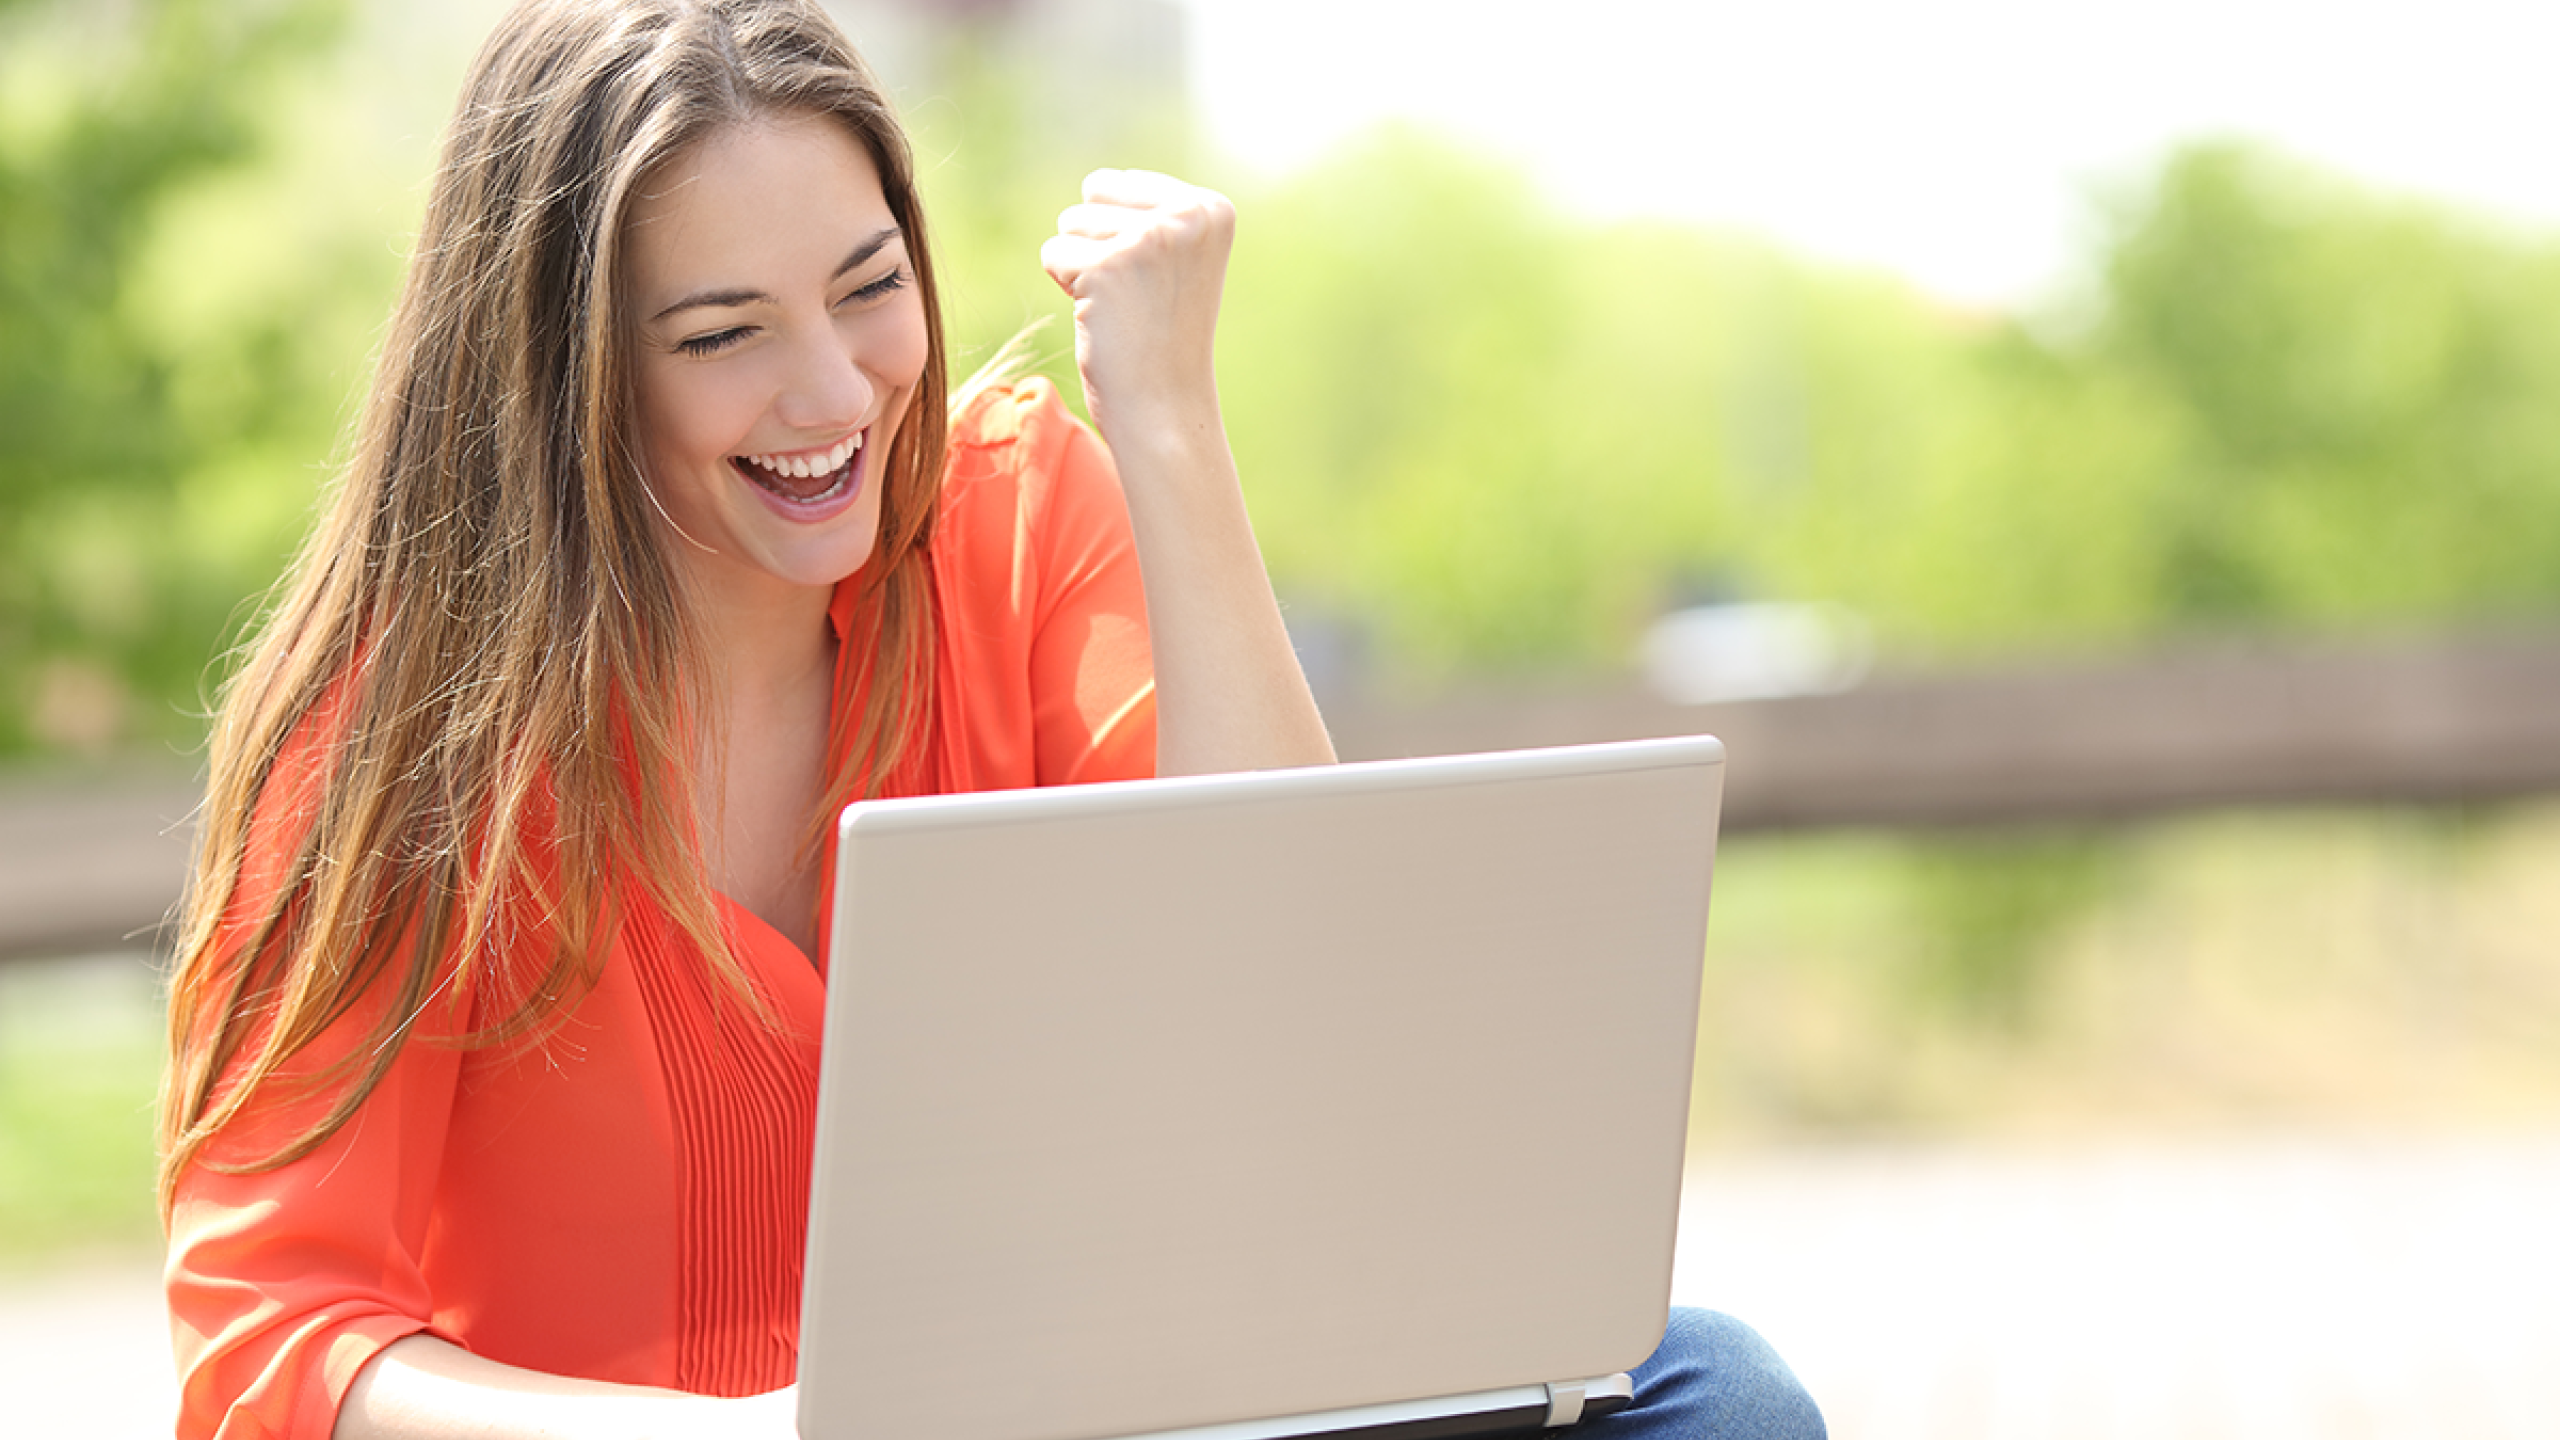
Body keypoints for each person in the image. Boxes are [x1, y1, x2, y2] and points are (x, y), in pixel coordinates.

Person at [157, 2, 1825, 1437]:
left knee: (1706, 1388)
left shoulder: (1013, 512)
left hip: (1091, 1411)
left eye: (868, 287)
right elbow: (276, 1338)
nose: (833, 395)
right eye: (725, 335)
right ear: (569, 378)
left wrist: (1167, 418)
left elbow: (1293, 987)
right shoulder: (391, 735)